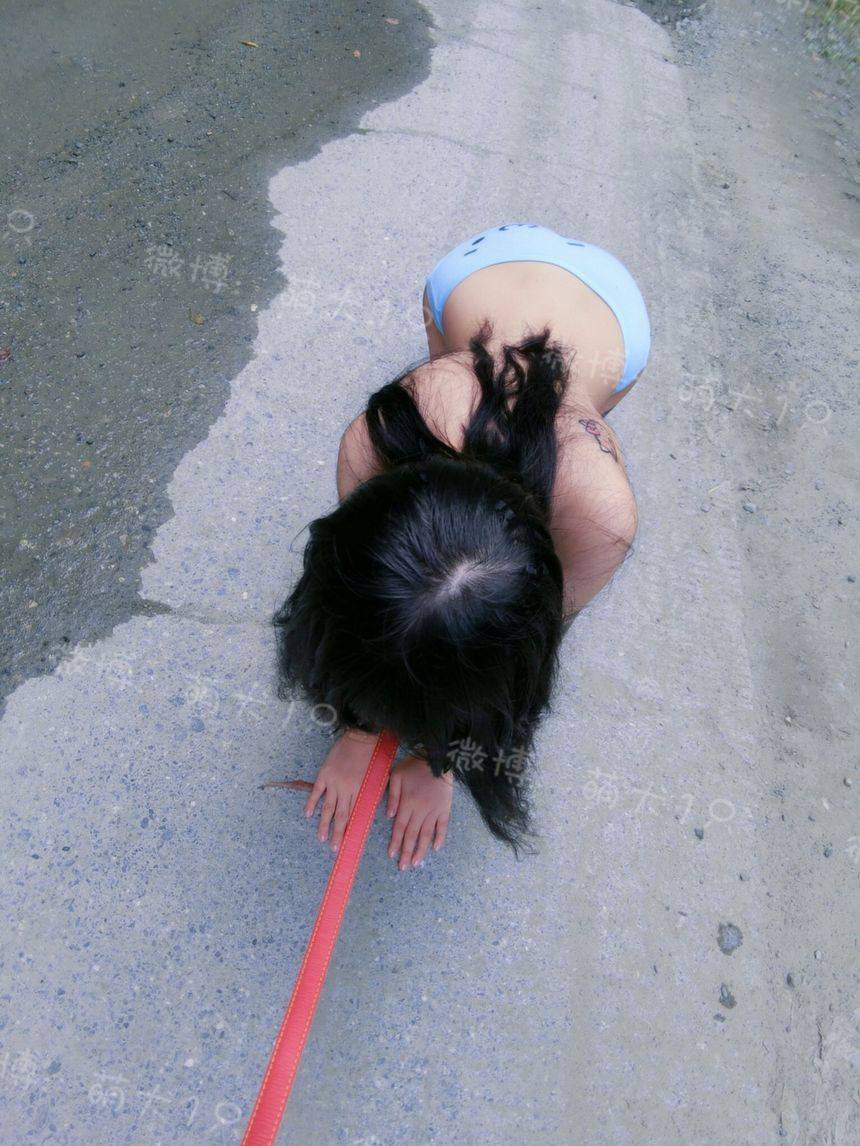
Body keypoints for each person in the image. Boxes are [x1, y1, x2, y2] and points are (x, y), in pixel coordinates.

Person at [273, 222, 650, 870]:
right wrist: (359, 735)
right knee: (455, 358)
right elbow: (355, 586)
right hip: (472, 276)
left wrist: (439, 762)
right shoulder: (377, 436)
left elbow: (521, 654)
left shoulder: (601, 518)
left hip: (614, 312)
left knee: (570, 395)